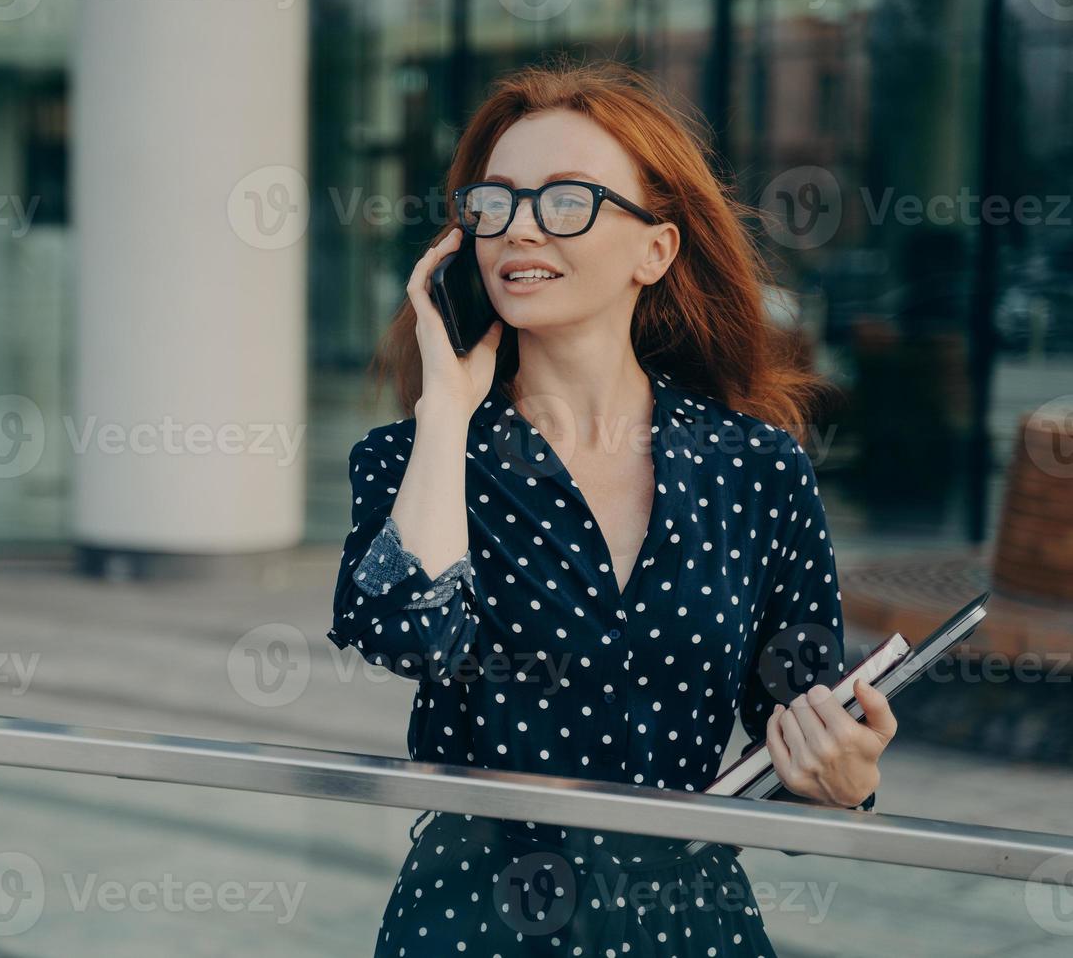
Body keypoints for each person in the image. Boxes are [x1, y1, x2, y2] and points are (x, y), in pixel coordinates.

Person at [327, 57, 898, 957]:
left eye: (565, 201)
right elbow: (410, 633)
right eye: (496, 202)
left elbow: (789, 748)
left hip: (689, 924)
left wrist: (843, 774)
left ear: (655, 250)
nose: (521, 229)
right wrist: (445, 407)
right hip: (475, 925)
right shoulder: (414, 460)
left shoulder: (756, 470)